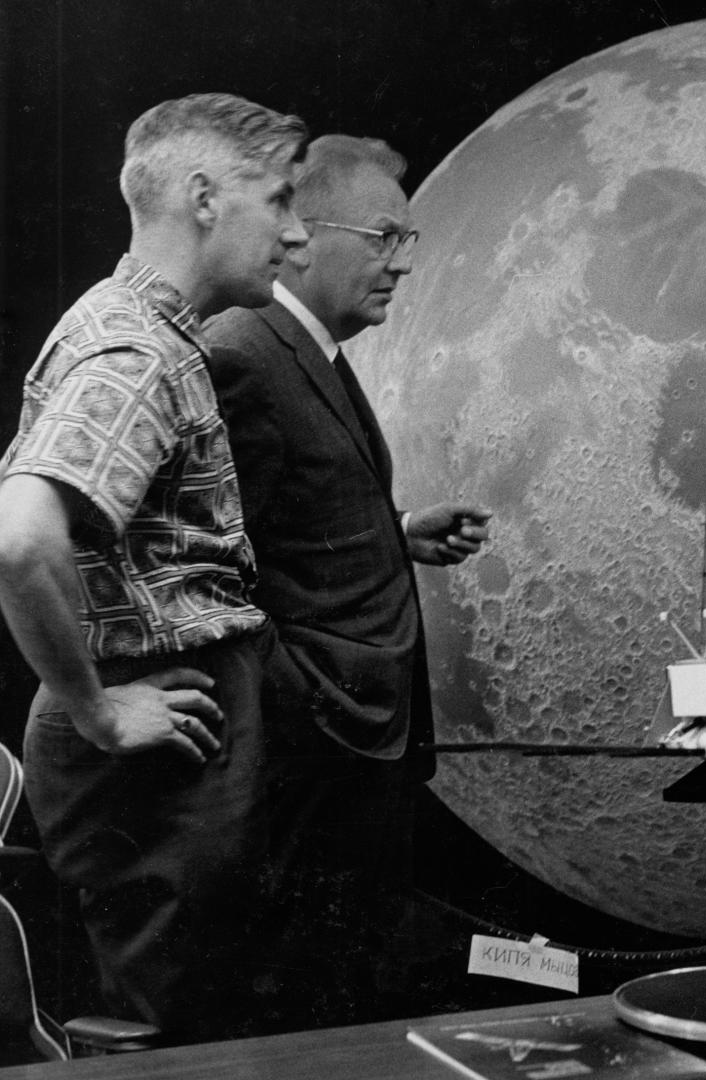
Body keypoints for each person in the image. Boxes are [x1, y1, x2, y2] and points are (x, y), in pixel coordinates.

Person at [0, 93, 308, 1041]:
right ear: (205, 196)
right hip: (154, 746)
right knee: (176, 1041)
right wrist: (96, 707)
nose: (296, 235)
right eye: (281, 200)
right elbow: (19, 540)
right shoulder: (133, 350)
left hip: (180, 730)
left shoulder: (151, 333)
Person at [202, 135, 491, 1030]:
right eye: (383, 237)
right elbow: (217, 568)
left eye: (408, 240)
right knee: (308, 995)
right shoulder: (246, 352)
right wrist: (301, 698)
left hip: (356, 744)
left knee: (353, 981)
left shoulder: (310, 350)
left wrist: (397, 534)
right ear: (300, 235)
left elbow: (291, 520)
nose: (403, 264)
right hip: (317, 745)